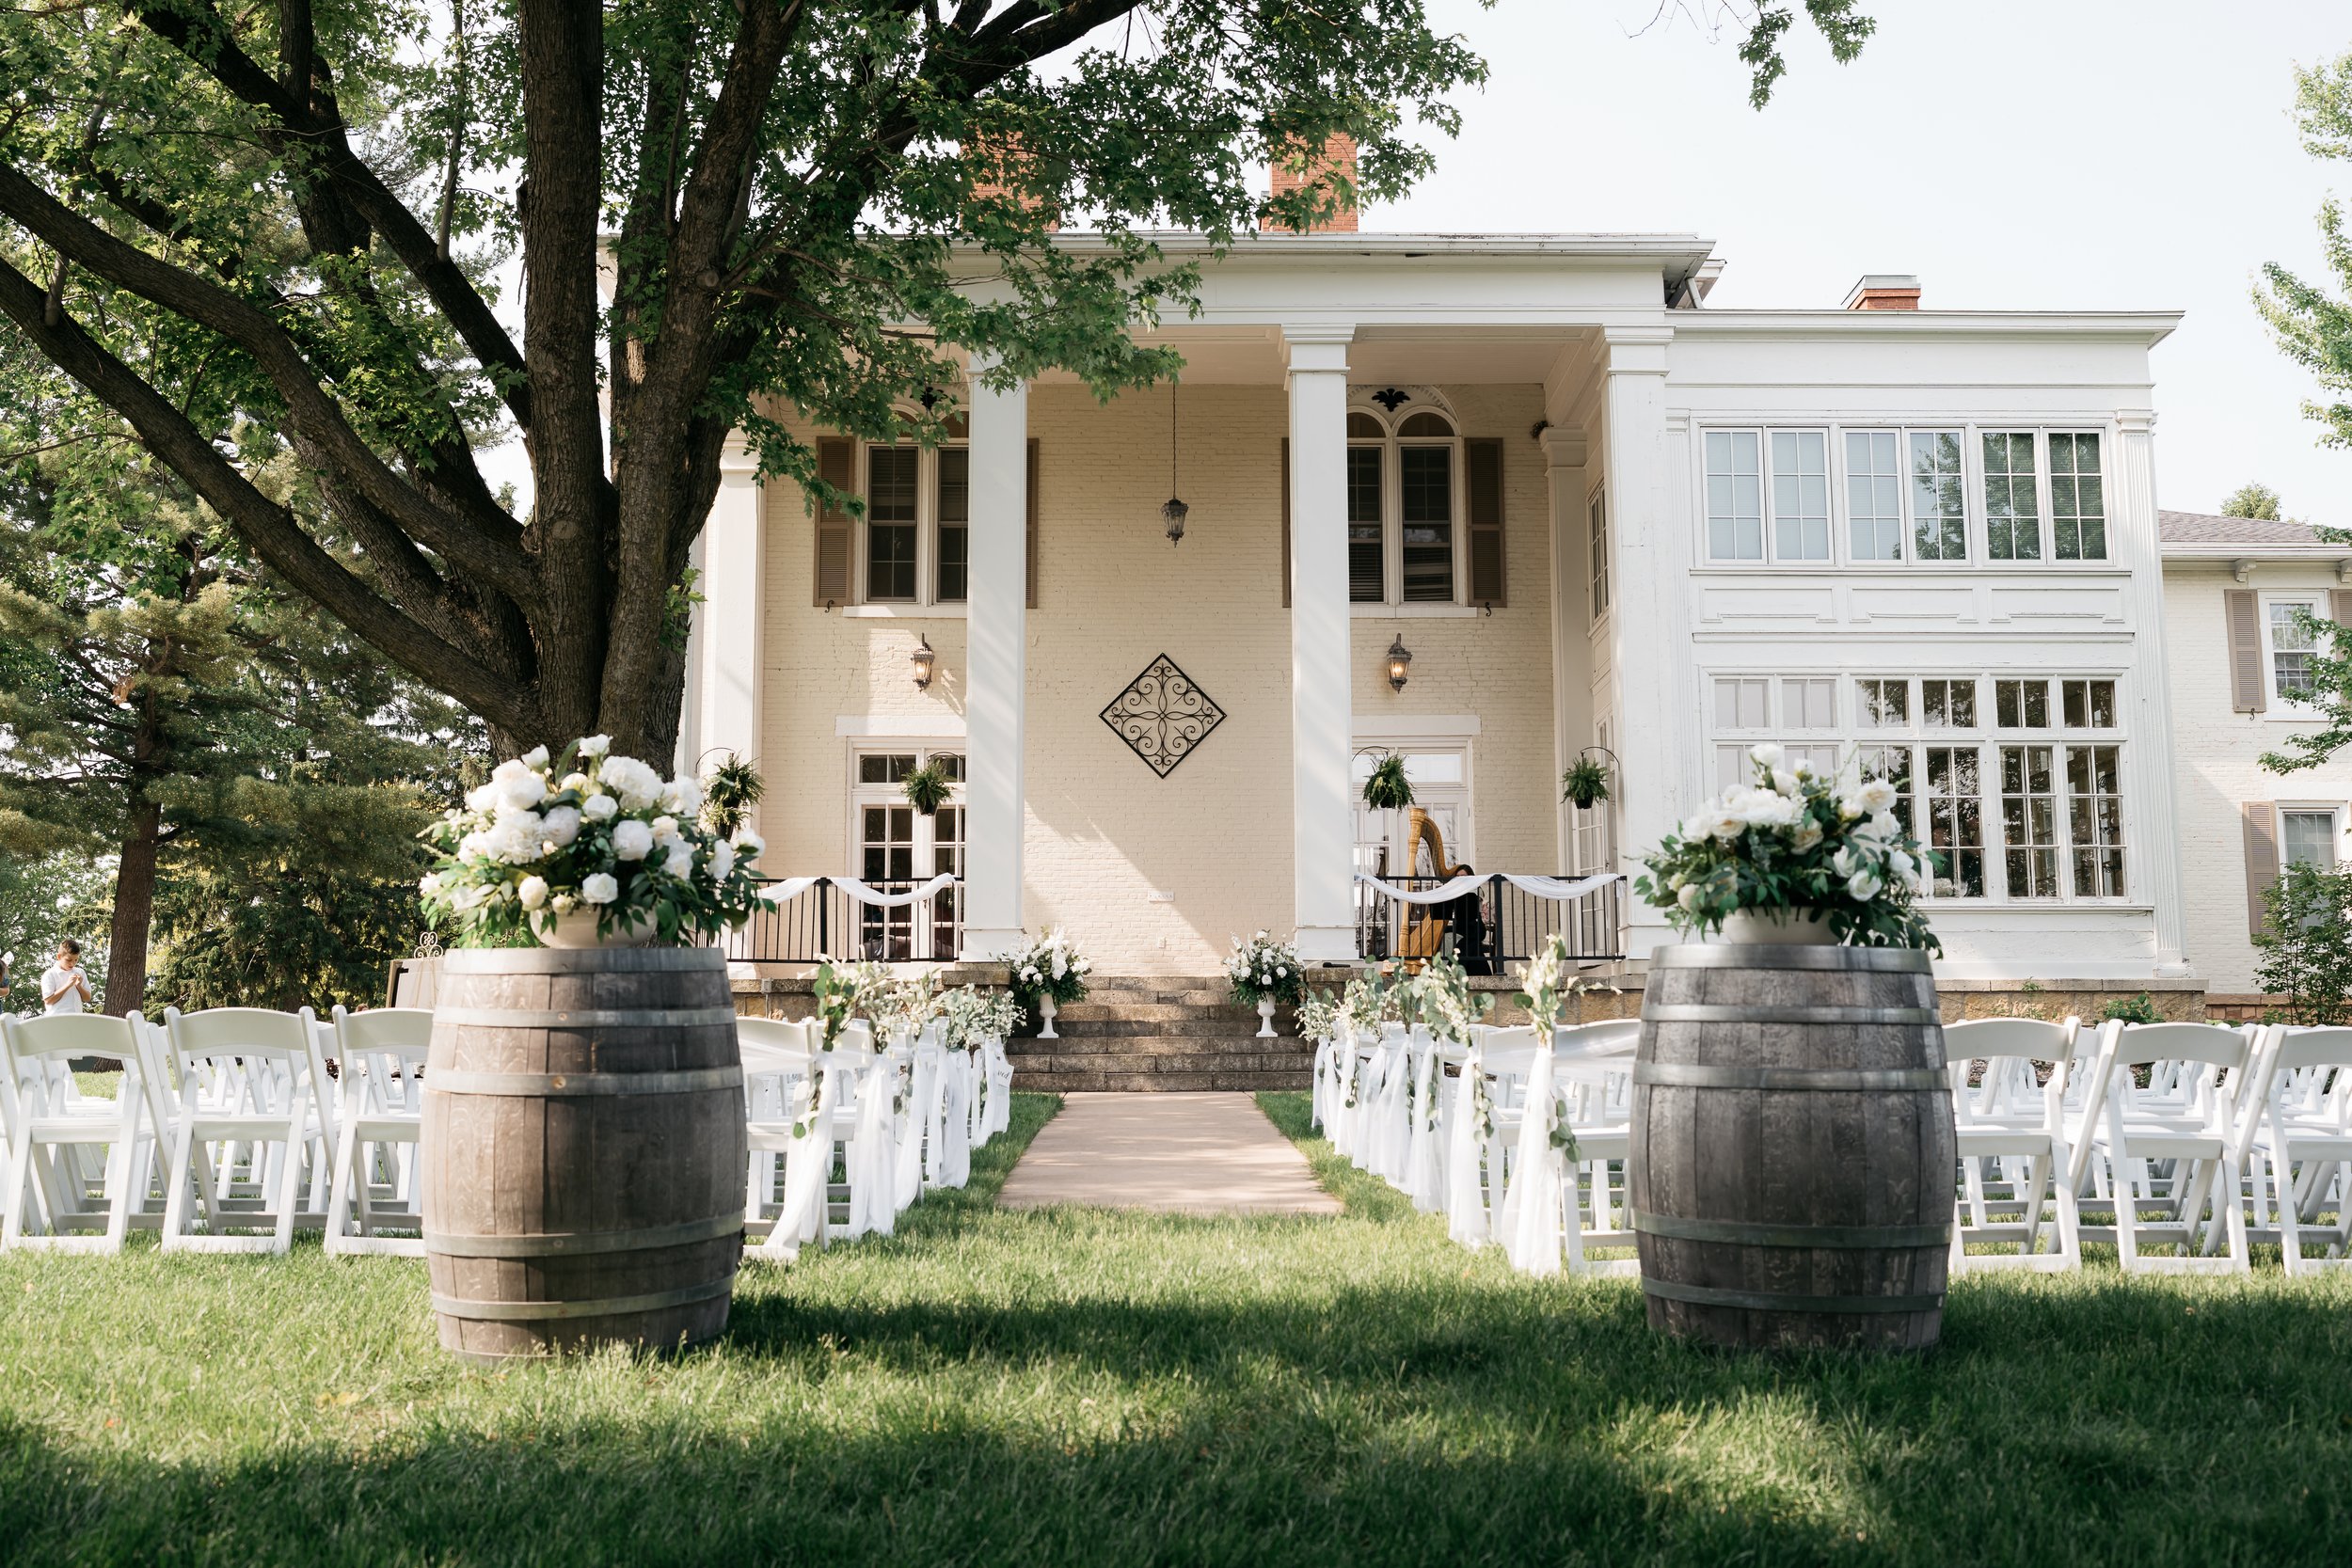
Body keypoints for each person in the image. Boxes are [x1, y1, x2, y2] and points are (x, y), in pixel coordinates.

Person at [41, 939, 92, 1015]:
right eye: (68, 960)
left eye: (76, 960)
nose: (72, 963)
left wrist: (79, 986)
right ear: (59, 957)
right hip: (56, 1020)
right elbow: (48, 1001)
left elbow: (87, 998)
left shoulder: (80, 972)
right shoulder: (50, 974)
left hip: (76, 1020)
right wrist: (67, 985)